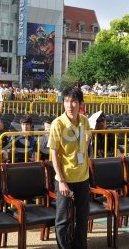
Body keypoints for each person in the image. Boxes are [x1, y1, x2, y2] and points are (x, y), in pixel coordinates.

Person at [47, 86, 90, 249]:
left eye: (73, 101)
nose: (69, 105)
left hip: (83, 177)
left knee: (82, 218)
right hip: (64, 179)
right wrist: (62, 181)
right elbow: (54, 154)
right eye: (66, 101)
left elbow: (86, 141)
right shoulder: (58, 124)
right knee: (63, 219)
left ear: (80, 104)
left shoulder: (84, 121)